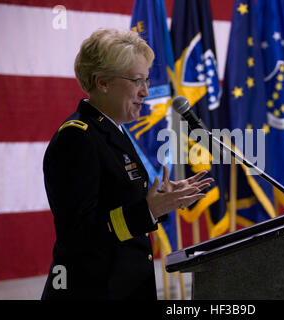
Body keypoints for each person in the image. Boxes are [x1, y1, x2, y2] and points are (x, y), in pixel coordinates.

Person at [41, 28, 213, 300]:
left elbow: (117, 200)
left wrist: (161, 200)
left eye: (146, 80)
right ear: (103, 83)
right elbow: (78, 234)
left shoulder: (112, 130)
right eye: (136, 80)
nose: (145, 92)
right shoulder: (77, 138)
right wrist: (147, 210)